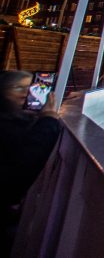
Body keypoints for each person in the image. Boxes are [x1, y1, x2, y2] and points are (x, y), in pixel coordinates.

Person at [0, 71, 62, 255]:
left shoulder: (18, 120)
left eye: (30, 88)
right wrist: (49, 119)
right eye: (18, 88)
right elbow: (26, 161)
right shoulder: (6, 126)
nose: (24, 94)